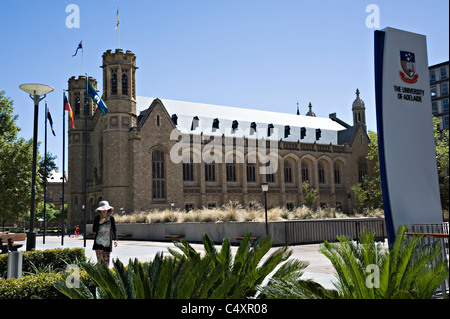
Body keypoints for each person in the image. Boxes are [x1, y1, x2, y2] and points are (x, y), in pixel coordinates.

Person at [92, 200, 118, 266]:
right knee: (100, 263)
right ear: (100, 210)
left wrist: (115, 239)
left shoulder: (111, 218)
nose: (104, 210)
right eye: (103, 209)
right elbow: (94, 230)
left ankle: (105, 276)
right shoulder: (97, 218)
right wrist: (99, 223)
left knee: (107, 264)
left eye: (106, 209)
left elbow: (114, 229)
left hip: (107, 244)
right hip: (98, 243)